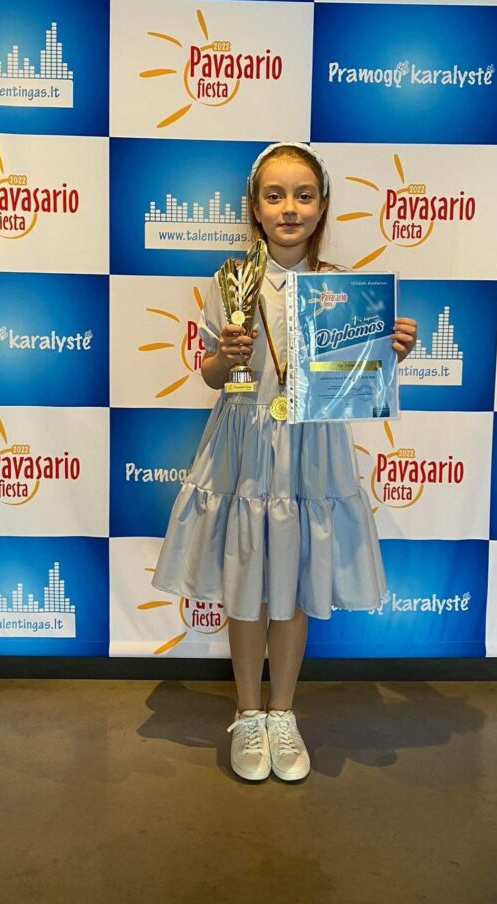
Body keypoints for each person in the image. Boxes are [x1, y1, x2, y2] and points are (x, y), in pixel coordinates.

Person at [152, 142, 417, 783]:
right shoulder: (229, 281)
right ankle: (248, 713)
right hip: (244, 444)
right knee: (247, 577)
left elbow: (356, 381)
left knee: (295, 581)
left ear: (322, 207)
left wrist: (390, 353)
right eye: (275, 196)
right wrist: (226, 355)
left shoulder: (343, 287)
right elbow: (214, 374)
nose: (289, 208)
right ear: (255, 207)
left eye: (304, 195)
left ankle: (282, 712)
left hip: (312, 448)